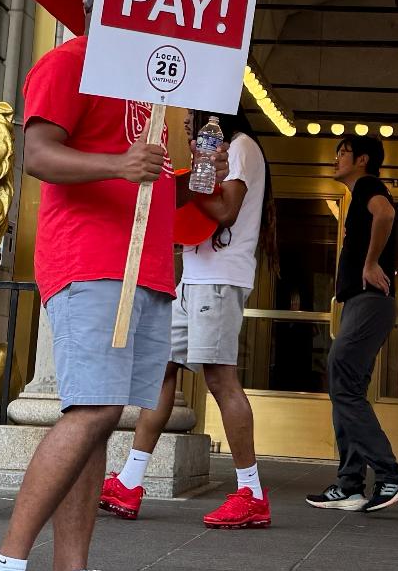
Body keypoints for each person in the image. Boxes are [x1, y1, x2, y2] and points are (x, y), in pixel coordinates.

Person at [0, 0, 222, 571]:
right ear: (100, 4)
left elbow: (174, 186)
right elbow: (39, 155)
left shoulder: (158, 85)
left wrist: (206, 164)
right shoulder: (67, 61)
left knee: (100, 418)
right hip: (90, 259)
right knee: (92, 410)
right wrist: (117, 165)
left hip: (149, 269)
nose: (157, 8)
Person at [101, 109, 272, 529]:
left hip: (219, 279)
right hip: (194, 277)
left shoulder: (242, 147)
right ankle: (130, 480)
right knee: (162, 371)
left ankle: (251, 492)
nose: (184, 125)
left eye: (188, 116)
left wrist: (199, 178)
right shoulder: (216, 149)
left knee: (219, 378)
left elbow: (226, 210)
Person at [307, 133, 398, 513]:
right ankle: (350, 484)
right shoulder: (357, 196)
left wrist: (370, 264)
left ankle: (389, 475)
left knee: (343, 381)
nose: (337, 158)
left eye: (344, 152)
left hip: (370, 302)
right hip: (360, 303)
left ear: (363, 160)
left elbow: (385, 213)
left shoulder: (369, 185)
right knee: (345, 387)